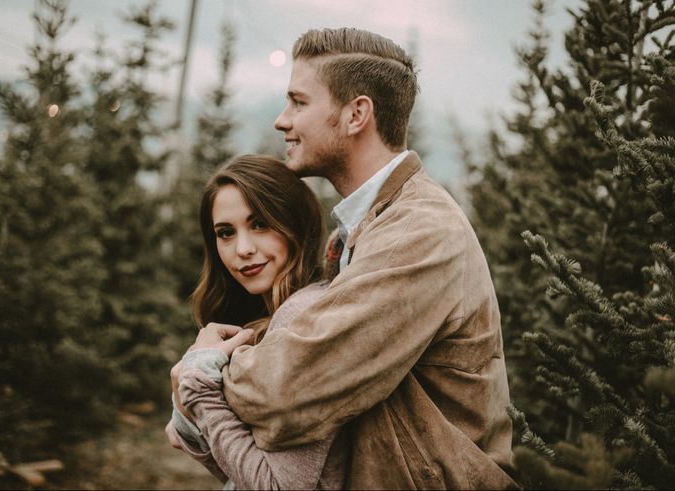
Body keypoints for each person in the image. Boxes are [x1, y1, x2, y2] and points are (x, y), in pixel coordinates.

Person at [174, 27, 518, 489]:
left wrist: (202, 372)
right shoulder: (367, 228)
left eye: (298, 102)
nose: (282, 120)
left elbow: (289, 387)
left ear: (357, 114)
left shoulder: (421, 230)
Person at [166, 154, 352, 489]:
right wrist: (190, 412)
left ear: (296, 223)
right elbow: (239, 471)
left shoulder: (304, 319)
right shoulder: (264, 323)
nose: (243, 249)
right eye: (225, 233)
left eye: (260, 224)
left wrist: (198, 388)